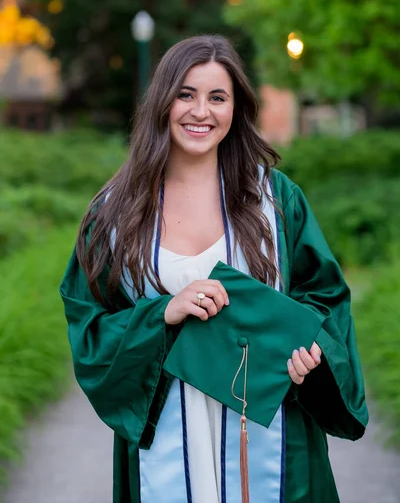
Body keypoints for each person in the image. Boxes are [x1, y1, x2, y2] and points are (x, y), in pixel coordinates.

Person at [60, 34, 368, 503]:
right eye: (186, 94)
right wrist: (160, 314)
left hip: (269, 425)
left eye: (217, 98)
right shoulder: (116, 214)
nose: (200, 112)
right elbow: (89, 325)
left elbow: (325, 298)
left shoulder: (276, 201)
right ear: (162, 103)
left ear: (235, 109)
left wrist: (315, 354)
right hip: (165, 432)